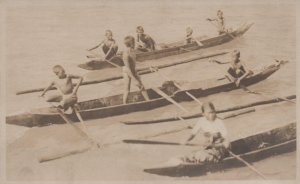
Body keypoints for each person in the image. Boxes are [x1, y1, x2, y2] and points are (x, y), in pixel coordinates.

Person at [122, 35, 150, 104]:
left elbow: (134, 63)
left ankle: (148, 101)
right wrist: (135, 80)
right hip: (127, 71)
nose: (134, 43)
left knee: (141, 86)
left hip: (132, 70)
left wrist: (149, 67)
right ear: (131, 44)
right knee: (127, 89)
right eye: (133, 42)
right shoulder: (126, 54)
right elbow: (128, 69)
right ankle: (124, 104)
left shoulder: (133, 51)